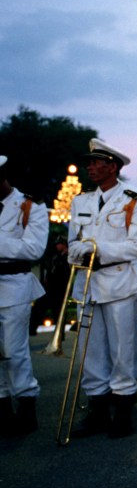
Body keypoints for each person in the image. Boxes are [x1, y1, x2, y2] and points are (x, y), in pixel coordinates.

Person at [67, 139, 137, 439]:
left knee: (122, 349)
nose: (90, 166)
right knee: (90, 351)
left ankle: (124, 410)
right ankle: (98, 410)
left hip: (119, 283)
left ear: (112, 166)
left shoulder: (133, 202)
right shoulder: (80, 202)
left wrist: (96, 249)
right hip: (87, 283)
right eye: (89, 162)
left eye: (96, 162)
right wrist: (82, 250)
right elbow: (73, 244)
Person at [0, 155, 48, 436]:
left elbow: (32, 250)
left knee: (14, 350)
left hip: (15, 283)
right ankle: (3, 405)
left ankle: (27, 402)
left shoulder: (30, 207)